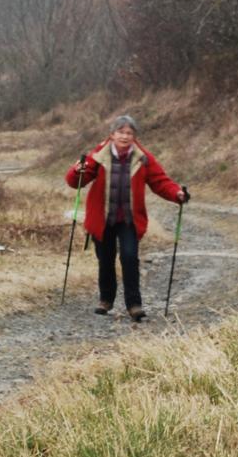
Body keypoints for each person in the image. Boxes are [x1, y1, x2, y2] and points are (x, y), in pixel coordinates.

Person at [65, 114, 188, 322]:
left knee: (130, 258)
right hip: (102, 218)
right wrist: (78, 171)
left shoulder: (143, 158)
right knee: (105, 259)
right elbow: (75, 181)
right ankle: (106, 300)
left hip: (129, 219)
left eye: (129, 133)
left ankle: (134, 305)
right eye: (120, 132)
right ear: (112, 134)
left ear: (134, 136)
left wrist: (177, 194)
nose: (125, 136)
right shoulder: (98, 155)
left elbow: (160, 182)